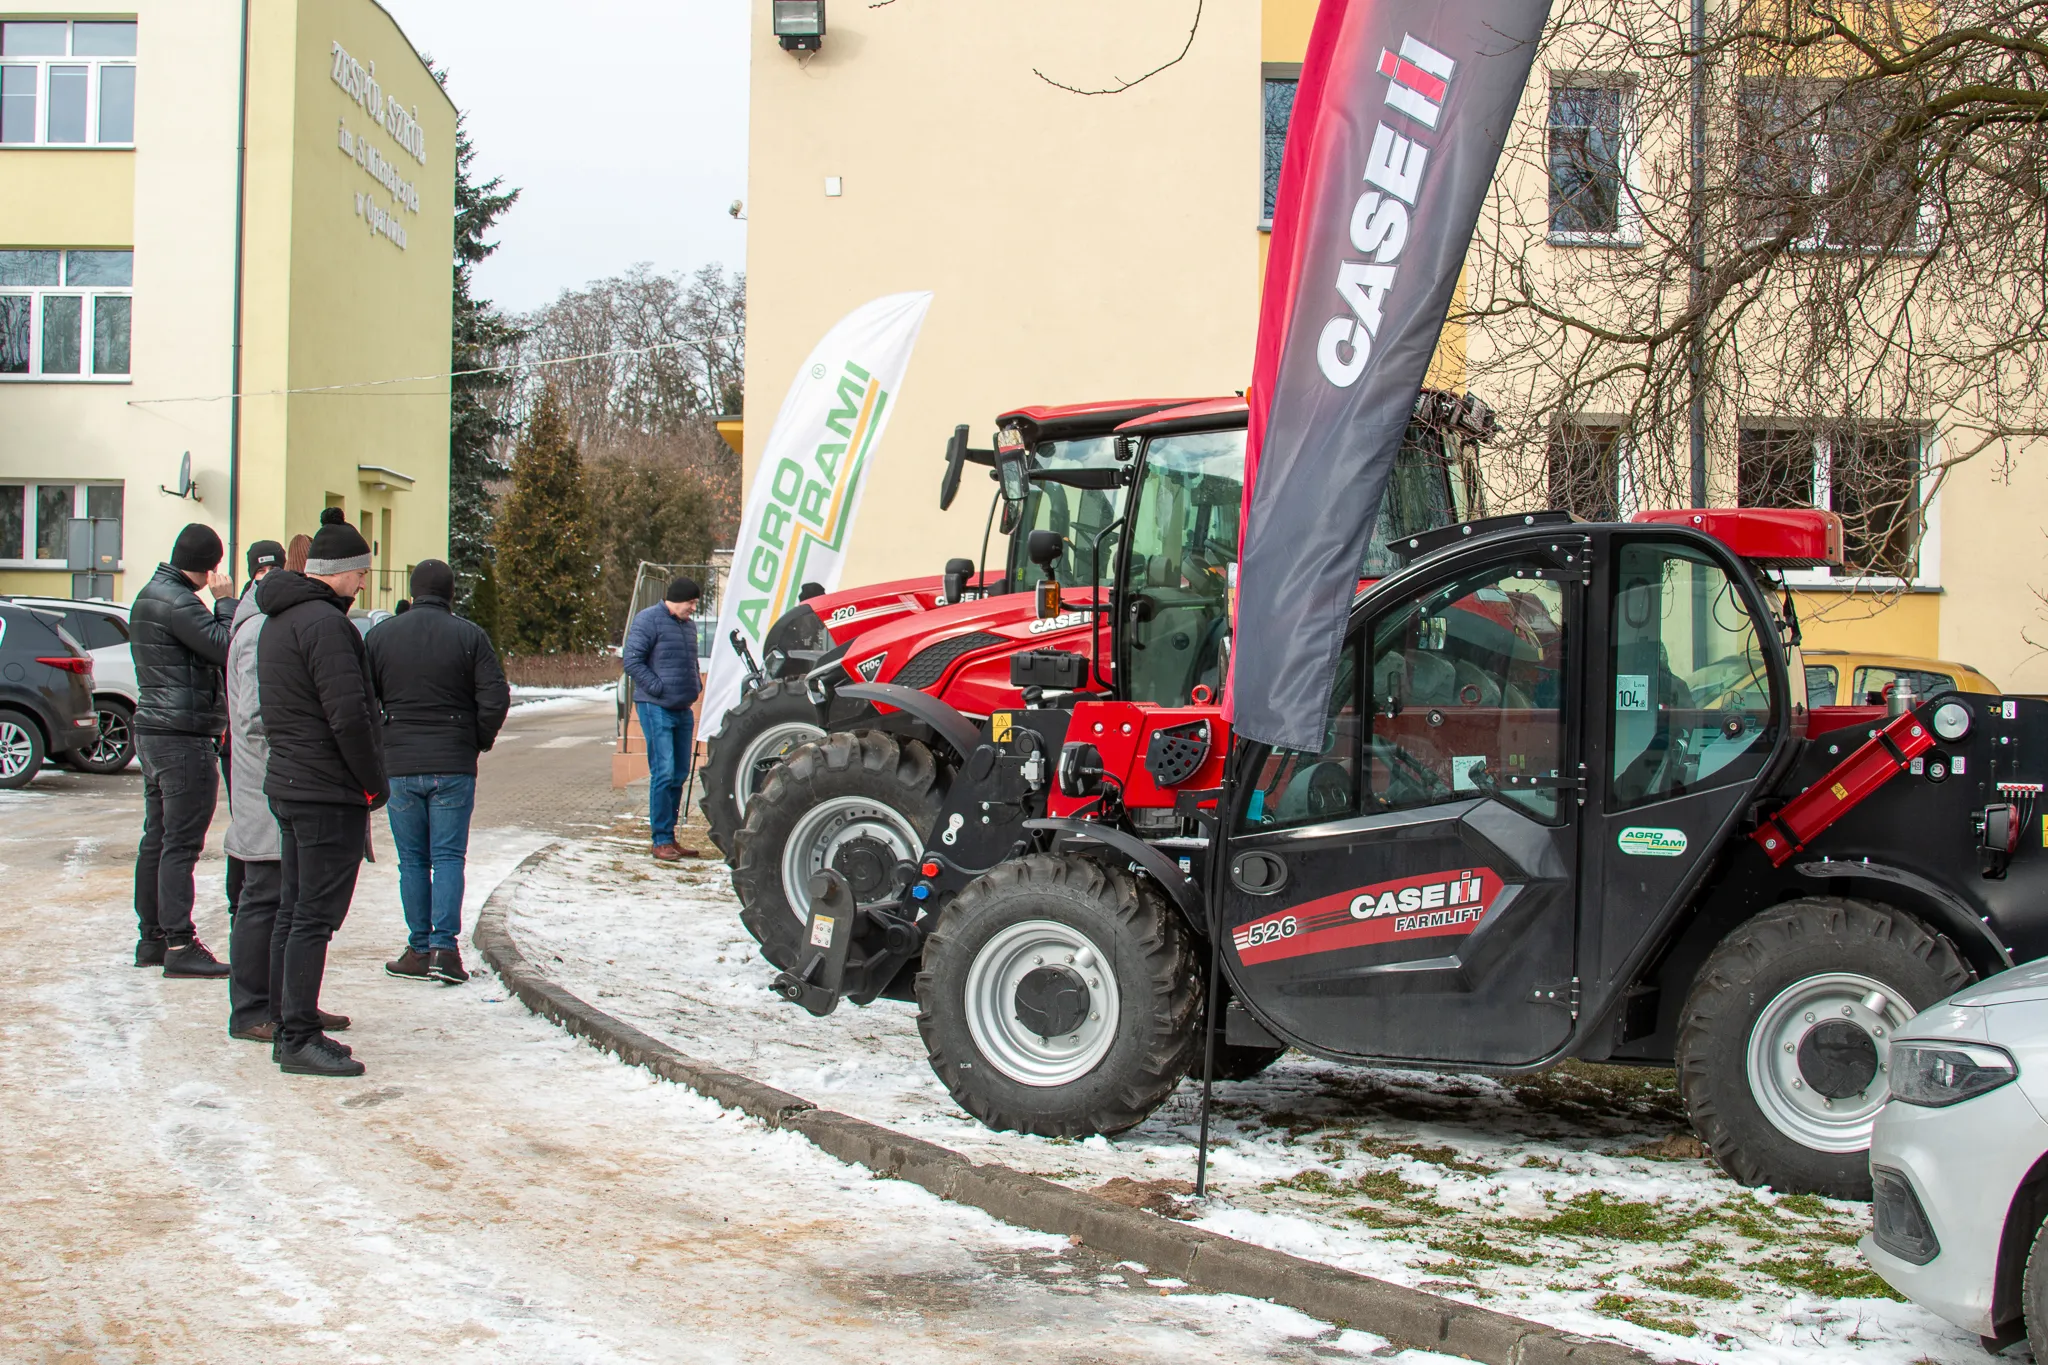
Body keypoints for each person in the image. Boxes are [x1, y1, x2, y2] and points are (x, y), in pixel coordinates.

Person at [257, 509, 386, 1077]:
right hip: (324, 789)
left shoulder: (279, 618)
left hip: (289, 781)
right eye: (361, 572)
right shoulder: (326, 626)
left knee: (293, 909)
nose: (364, 583)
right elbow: (349, 717)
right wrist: (372, 783)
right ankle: (298, 1037)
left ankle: (291, 1021)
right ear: (341, 571)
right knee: (313, 916)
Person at [223, 543, 350, 1044]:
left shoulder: (266, 621)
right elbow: (257, 719)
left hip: (281, 779)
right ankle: (255, 1008)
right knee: (265, 894)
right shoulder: (259, 629)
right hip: (268, 781)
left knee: (289, 902)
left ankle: (292, 1005)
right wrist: (304, 754)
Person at [366, 559, 509, 984]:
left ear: (412, 589)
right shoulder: (469, 636)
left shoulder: (380, 636)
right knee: (448, 857)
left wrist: (383, 740)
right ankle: (446, 952)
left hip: (401, 764)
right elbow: (496, 697)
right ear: (451, 593)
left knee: (412, 860)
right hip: (453, 762)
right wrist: (476, 739)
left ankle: (418, 947)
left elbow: (361, 698)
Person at [130, 523, 237, 977]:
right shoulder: (180, 602)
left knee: (156, 838)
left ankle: (151, 938)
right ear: (209, 566)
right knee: (180, 844)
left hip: (154, 732)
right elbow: (226, 646)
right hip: (183, 736)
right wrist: (227, 603)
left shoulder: (149, 595)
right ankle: (179, 943)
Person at [224, 539, 285, 922]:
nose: (268, 580)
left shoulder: (249, 618)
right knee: (259, 877)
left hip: (251, 761)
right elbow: (254, 717)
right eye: (262, 574)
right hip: (255, 766)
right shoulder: (255, 625)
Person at [622, 575, 703, 861]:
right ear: (678, 598)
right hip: (655, 706)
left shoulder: (688, 626)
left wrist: (695, 685)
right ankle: (661, 839)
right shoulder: (649, 620)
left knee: (680, 773)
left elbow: (690, 661)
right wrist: (657, 687)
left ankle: (670, 836)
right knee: (664, 771)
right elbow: (631, 660)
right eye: (691, 602)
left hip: (682, 707)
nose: (694, 608)